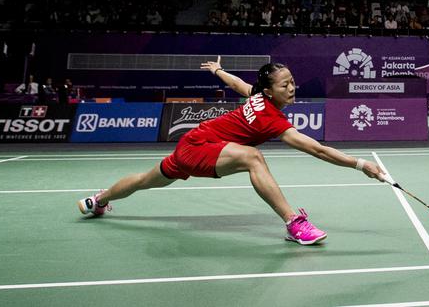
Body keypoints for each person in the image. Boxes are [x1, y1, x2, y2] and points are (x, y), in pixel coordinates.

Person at [78, 56, 387, 245]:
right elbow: (316, 149)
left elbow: (240, 86)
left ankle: (98, 200)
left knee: (147, 179)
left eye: (292, 82)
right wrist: (361, 165)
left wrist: (218, 71)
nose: (292, 88)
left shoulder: (258, 97)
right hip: (201, 146)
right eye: (285, 85)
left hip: (193, 144)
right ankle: (294, 224)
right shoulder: (269, 116)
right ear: (269, 91)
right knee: (253, 157)